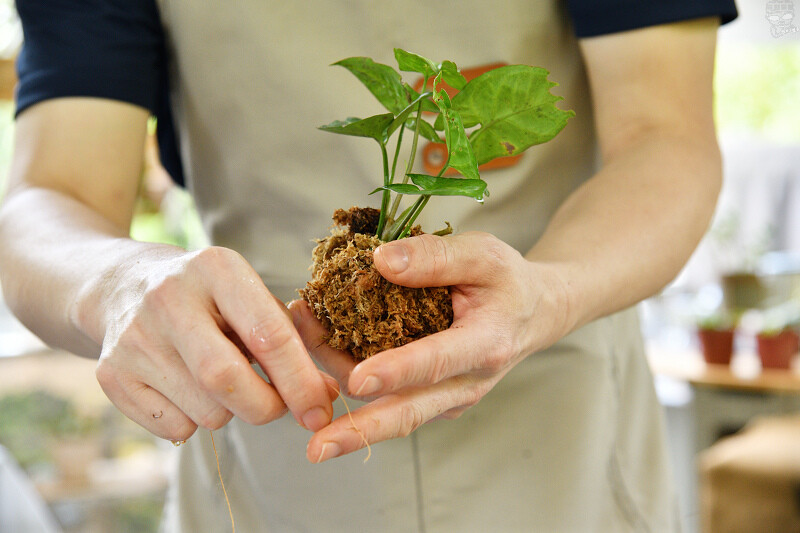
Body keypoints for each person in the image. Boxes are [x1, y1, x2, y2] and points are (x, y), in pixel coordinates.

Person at [0, 1, 737, 531]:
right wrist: (120, 282)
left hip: (558, 429)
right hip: (270, 422)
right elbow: (48, 195)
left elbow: (665, 139)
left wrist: (549, 292)